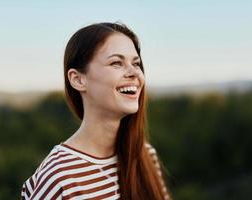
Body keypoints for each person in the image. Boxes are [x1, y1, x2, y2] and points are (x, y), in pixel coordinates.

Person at [21, 22, 170, 200]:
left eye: (136, 64)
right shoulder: (59, 178)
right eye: (116, 63)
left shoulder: (145, 156)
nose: (134, 73)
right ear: (77, 80)